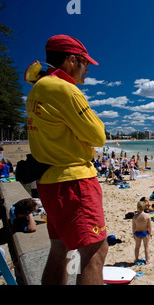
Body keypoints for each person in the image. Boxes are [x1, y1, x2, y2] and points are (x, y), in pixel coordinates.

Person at [25, 35, 107, 285]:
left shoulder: (38, 88)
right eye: (85, 64)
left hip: (49, 180)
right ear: (72, 60)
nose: (87, 70)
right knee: (94, 254)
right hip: (73, 181)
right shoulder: (64, 88)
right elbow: (98, 135)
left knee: (60, 251)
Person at [132, 201, 152, 265]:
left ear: (137, 207)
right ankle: (147, 260)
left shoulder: (135, 217)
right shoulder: (147, 216)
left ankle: (136, 258)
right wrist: (150, 233)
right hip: (145, 233)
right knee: (146, 247)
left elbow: (133, 226)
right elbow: (149, 226)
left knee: (137, 247)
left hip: (137, 233)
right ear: (144, 208)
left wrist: (133, 234)